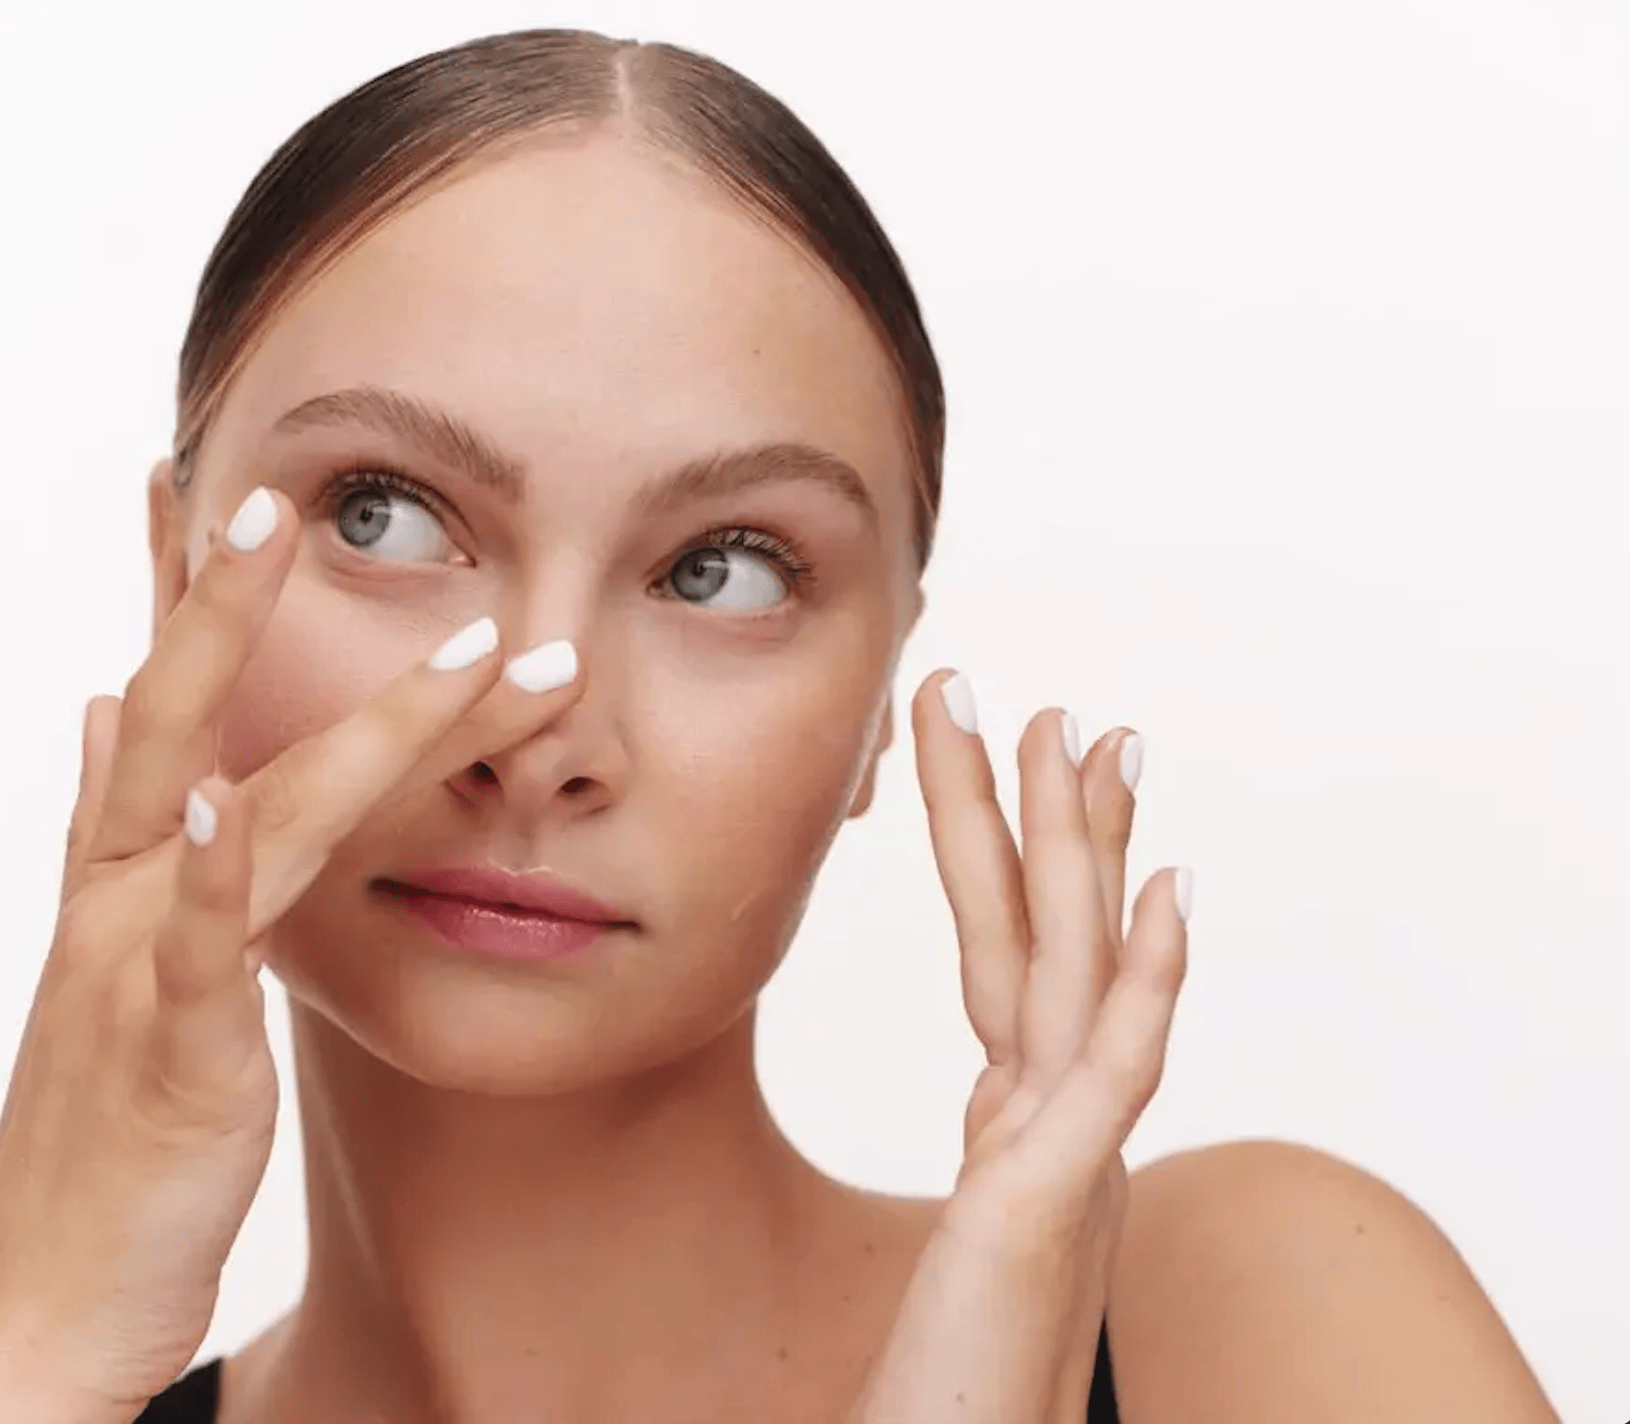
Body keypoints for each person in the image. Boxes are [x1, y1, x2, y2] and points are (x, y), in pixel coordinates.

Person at [0, 28, 1559, 1424]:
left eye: (719, 568)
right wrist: (35, 1353)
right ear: (174, 576)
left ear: (884, 699)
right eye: (386, 515)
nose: (539, 724)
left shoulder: (1247, 1329)